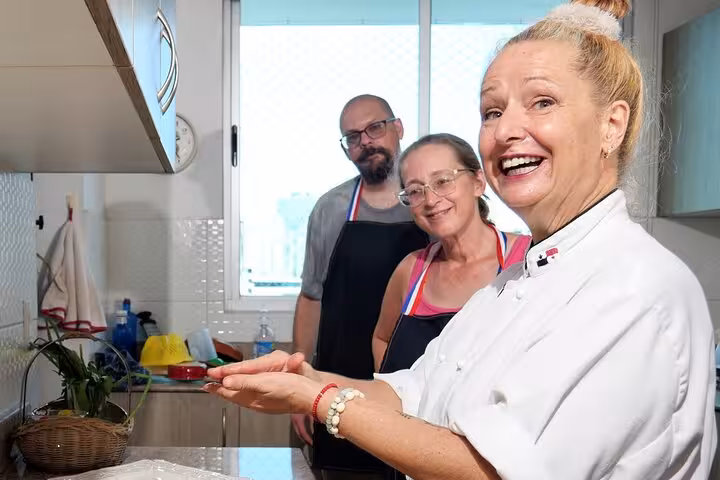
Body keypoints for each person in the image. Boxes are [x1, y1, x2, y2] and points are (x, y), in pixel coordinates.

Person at [206, 2, 717, 479]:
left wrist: (318, 401)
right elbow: (411, 391)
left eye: (542, 102)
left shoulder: (634, 288)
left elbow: (495, 468)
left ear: (612, 124)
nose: (507, 129)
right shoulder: (514, 283)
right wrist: (308, 380)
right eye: (493, 111)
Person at [292, 94, 429, 477]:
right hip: (339, 393)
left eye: (375, 128)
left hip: (416, 395)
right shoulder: (331, 208)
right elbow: (310, 298)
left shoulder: (430, 203)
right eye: (353, 136)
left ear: (398, 128)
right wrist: (301, 385)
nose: (365, 141)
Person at [372, 133, 531, 375]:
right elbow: (382, 339)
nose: (431, 200)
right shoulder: (410, 270)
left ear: (478, 182)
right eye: (415, 190)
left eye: (443, 181)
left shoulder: (529, 258)